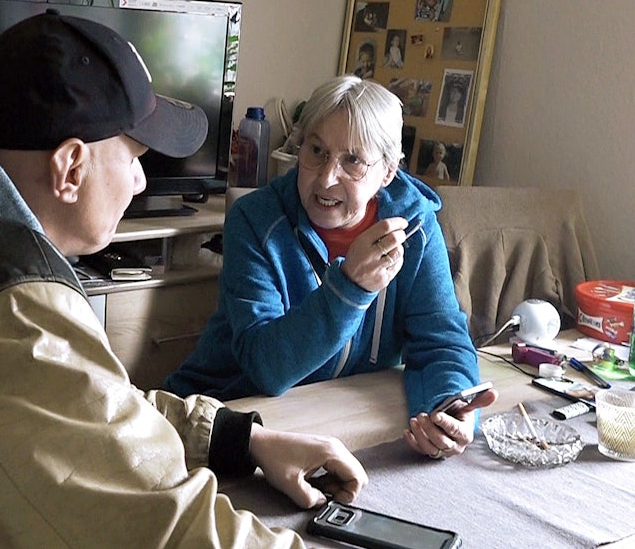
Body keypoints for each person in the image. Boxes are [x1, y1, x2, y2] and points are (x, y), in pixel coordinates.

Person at [0, 13, 367, 546]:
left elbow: (84, 405)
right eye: (134, 158)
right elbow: (166, 530)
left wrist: (242, 440)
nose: (139, 183)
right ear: (71, 167)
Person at [165, 76, 497, 461]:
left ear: (387, 172)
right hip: (222, 419)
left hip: (329, 420)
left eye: (352, 161)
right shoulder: (254, 221)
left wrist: (449, 407)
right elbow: (266, 368)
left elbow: (441, 340)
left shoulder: (415, 227)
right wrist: (351, 287)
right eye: (316, 151)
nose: (325, 178)